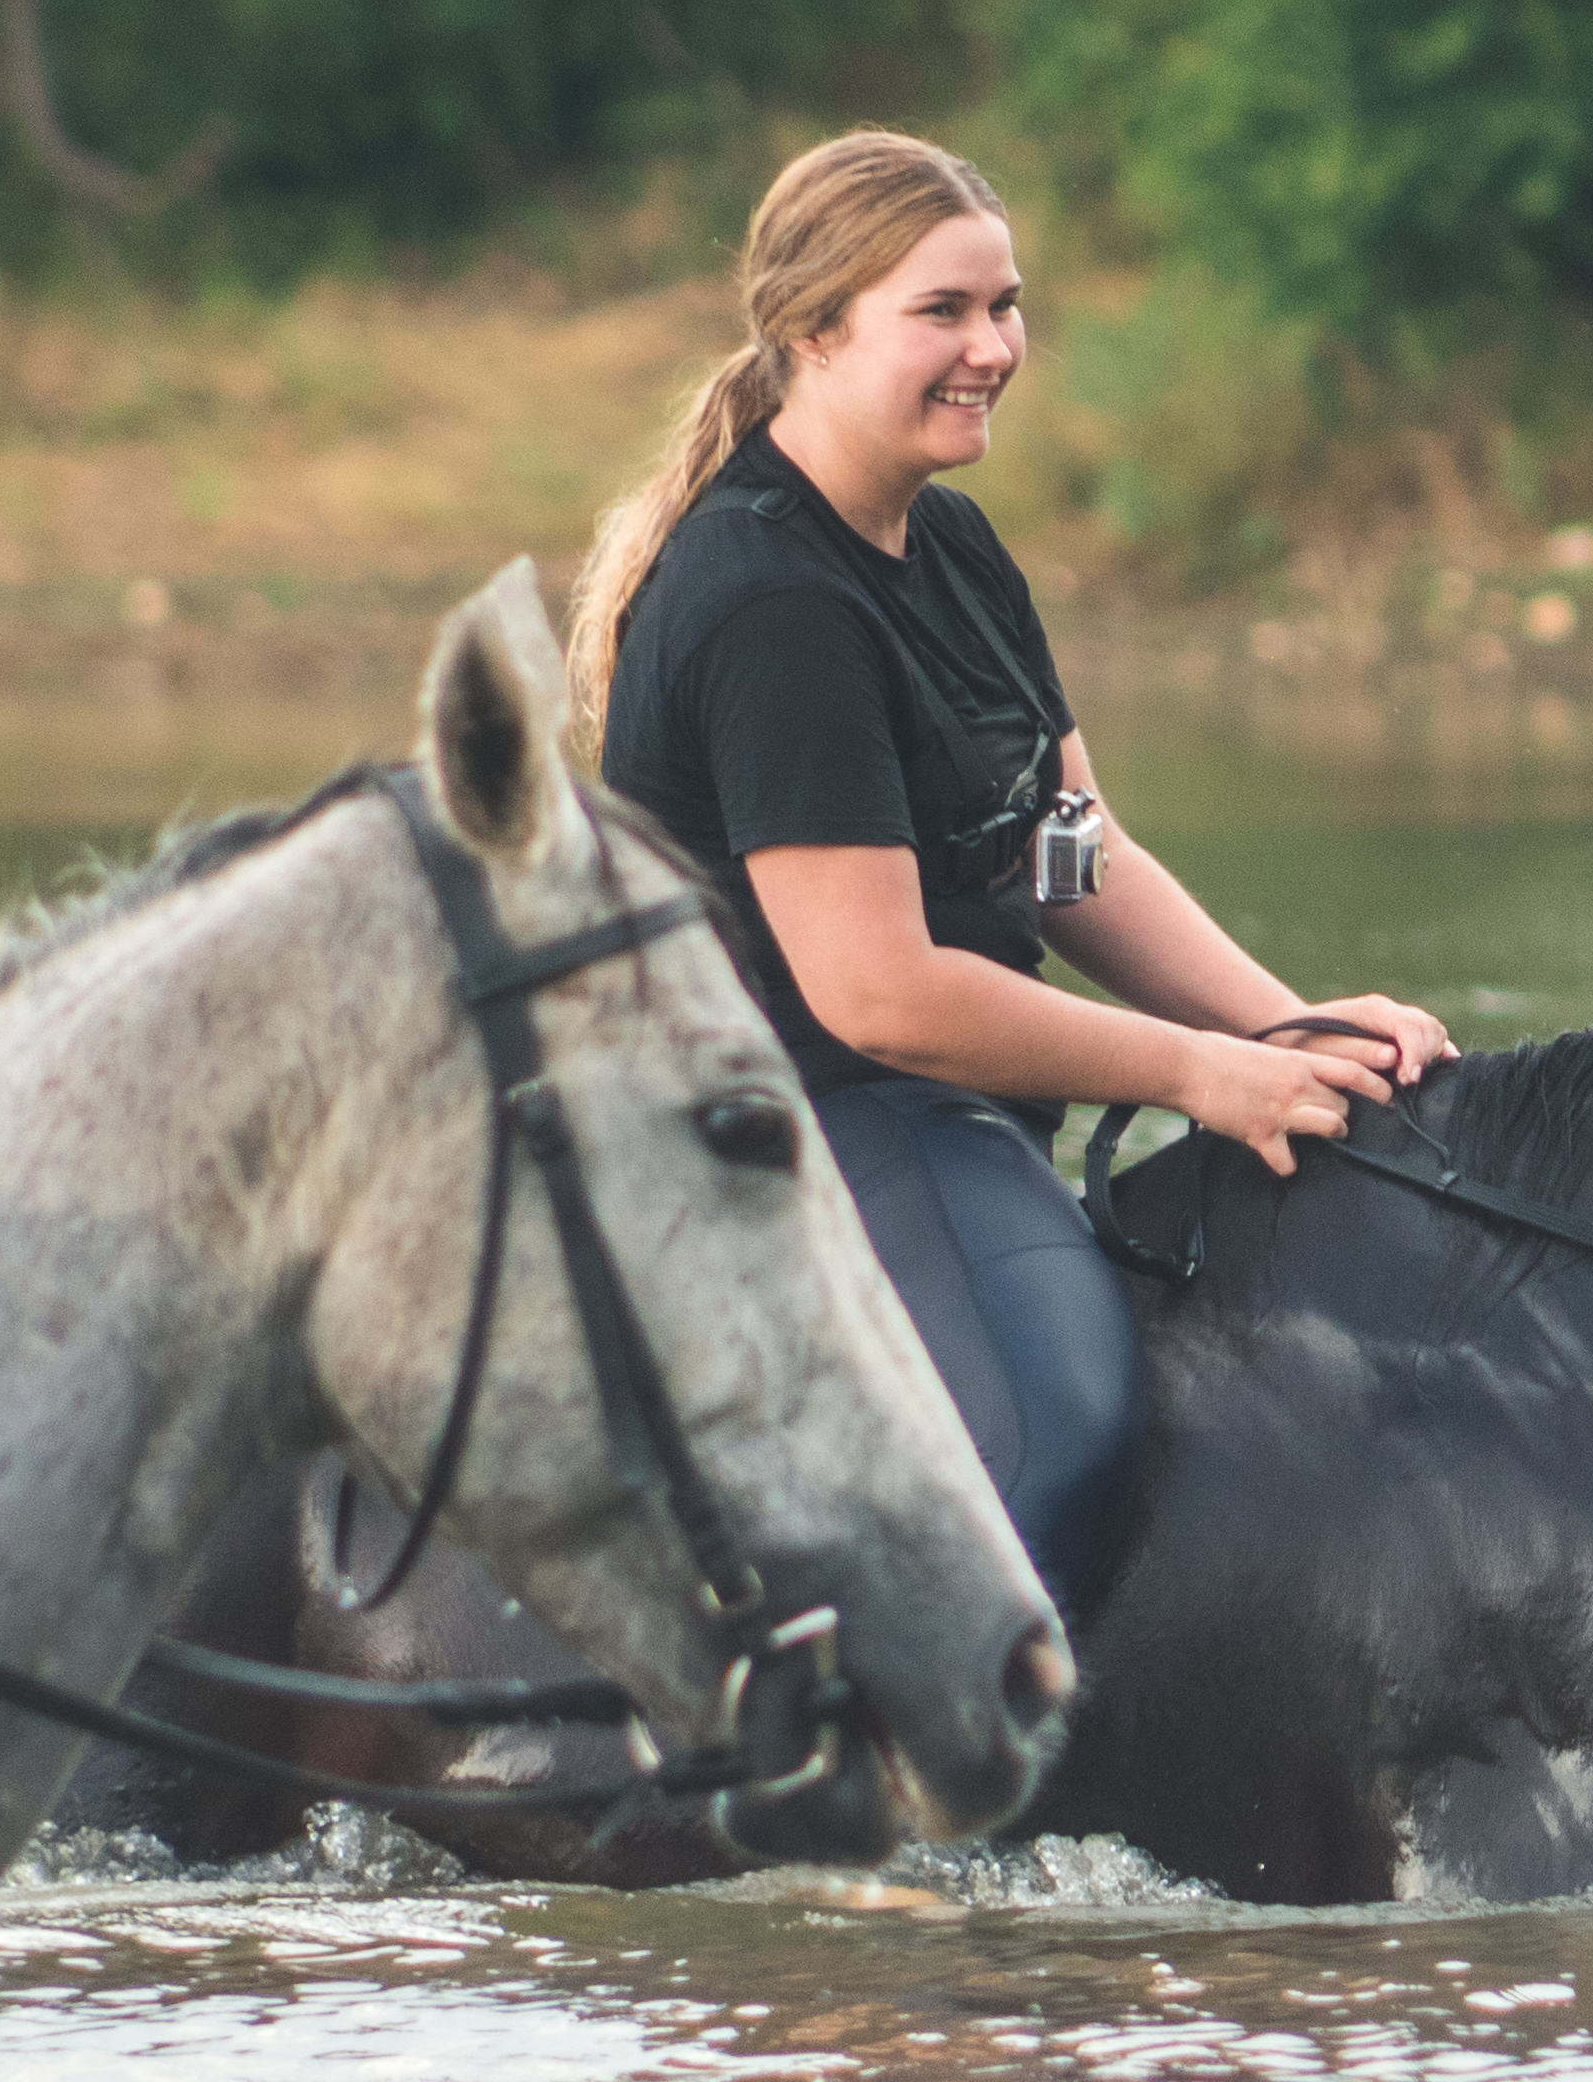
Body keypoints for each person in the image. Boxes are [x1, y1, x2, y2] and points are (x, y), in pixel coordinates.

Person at [571, 129, 1447, 1605]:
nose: (993, 347)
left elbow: (1070, 860)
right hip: (791, 1133)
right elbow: (879, 994)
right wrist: (1192, 1075)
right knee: (1061, 1438)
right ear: (811, 330)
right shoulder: (766, 599)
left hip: (943, 1112)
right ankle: (897, 1809)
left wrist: (1283, 1028)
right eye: (944, 311)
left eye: (1007, 304)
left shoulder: (956, 548)